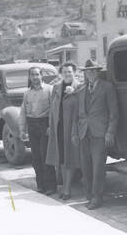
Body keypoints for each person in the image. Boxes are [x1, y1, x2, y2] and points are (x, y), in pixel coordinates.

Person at [72, 59, 119, 210]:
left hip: (100, 133)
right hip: (83, 132)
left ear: (97, 72)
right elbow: (76, 115)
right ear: (84, 73)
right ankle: (88, 196)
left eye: (93, 71)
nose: (90, 73)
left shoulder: (107, 87)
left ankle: (97, 197)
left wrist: (110, 132)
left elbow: (114, 113)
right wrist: (74, 133)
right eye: (87, 71)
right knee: (85, 167)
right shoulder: (80, 90)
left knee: (98, 167)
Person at [19, 67, 57, 195]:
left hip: (45, 124)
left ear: (41, 76)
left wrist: (51, 126)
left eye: (37, 74)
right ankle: (40, 185)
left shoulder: (49, 90)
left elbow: (53, 110)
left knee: (46, 156)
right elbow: (23, 112)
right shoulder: (27, 93)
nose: (35, 77)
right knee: (36, 158)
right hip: (32, 125)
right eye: (32, 75)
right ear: (30, 77)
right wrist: (22, 129)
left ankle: (51, 186)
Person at [46, 62, 81, 200]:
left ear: (74, 73)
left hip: (72, 128)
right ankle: (64, 187)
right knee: (60, 157)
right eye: (65, 72)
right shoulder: (56, 87)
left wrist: (75, 93)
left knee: (70, 158)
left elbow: (81, 109)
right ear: (61, 74)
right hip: (58, 127)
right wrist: (50, 126)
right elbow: (52, 109)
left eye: (70, 72)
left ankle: (67, 189)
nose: (67, 74)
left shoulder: (79, 87)